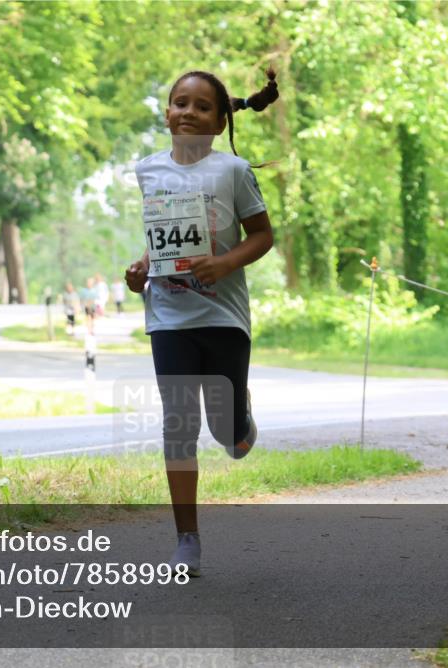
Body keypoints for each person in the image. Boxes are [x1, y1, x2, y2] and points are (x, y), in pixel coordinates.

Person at [124, 67, 278, 576]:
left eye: (201, 106)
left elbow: (261, 236)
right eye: (179, 103)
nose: (188, 112)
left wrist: (225, 262)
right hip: (168, 315)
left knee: (228, 437)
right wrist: (143, 266)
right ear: (166, 112)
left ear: (219, 119)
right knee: (178, 424)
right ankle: (186, 539)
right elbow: (161, 233)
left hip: (223, 315)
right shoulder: (148, 170)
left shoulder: (232, 171)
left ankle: (240, 416)